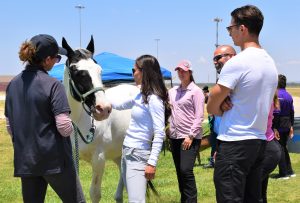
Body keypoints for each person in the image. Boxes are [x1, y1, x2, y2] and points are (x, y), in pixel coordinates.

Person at [207, 5, 278, 202]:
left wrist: (220, 104)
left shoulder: (237, 62)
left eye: (230, 29)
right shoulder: (270, 63)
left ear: (242, 28)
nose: (230, 33)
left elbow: (211, 107)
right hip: (258, 142)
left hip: (234, 144)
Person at [5, 34, 85, 203]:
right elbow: (63, 126)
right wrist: (73, 125)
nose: (57, 61)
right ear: (47, 60)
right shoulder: (53, 85)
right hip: (54, 161)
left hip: (26, 161)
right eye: (56, 58)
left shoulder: (12, 85)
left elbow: (10, 126)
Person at [111, 55, 169, 202]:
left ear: (144, 72)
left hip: (138, 154)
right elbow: (120, 105)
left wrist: (151, 163)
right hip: (127, 151)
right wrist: (103, 102)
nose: (133, 73)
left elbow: (159, 133)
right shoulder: (140, 95)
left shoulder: (154, 99)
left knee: (136, 200)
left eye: (134, 69)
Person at [168, 60, 204, 203]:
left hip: (190, 137)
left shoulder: (196, 91)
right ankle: (185, 199)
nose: (181, 73)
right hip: (175, 136)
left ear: (190, 72)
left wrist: (190, 136)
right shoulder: (172, 92)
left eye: (184, 71)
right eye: (179, 71)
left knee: (186, 170)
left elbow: (199, 116)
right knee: (179, 172)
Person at [203, 45, 236, 169]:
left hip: (236, 138)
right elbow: (211, 107)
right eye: (213, 59)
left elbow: (212, 105)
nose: (214, 62)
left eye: (218, 58)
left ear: (231, 57)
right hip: (221, 134)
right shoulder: (222, 79)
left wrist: (217, 101)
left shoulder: (240, 77)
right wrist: (219, 101)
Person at [273, 74, 296, 179]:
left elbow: (276, 113)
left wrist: (274, 127)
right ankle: (290, 171)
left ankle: (283, 173)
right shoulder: (288, 95)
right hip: (287, 123)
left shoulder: (276, 95)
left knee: (280, 148)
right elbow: (292, 112)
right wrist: (291, 125)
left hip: (279, 124)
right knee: (284, 147)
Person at [261, 92, 282, 203]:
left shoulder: (263, 98)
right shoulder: (268, 97)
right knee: (260, 191)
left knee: (253, 190)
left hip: (267, 147)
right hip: (269, 146)